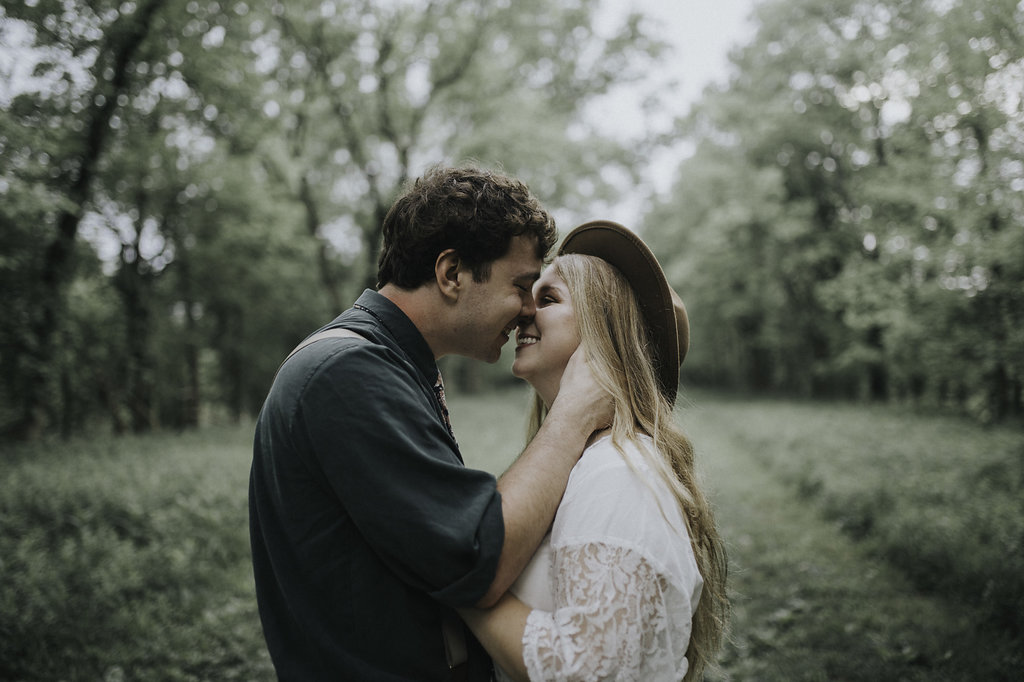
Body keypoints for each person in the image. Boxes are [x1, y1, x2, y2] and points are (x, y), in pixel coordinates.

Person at [248, 166, 613, 681]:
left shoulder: (385, 362)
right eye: (522, 285)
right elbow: (476, 558)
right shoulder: (347, 372)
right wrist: (574, 415)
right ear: (451, 273)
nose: (529, 309)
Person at [459, 220, 730, 681]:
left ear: (602, 334)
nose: (523, 309)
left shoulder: (618, 473)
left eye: (548, 298)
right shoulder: (577, 465)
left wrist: (458, 577)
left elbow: (583, 672)